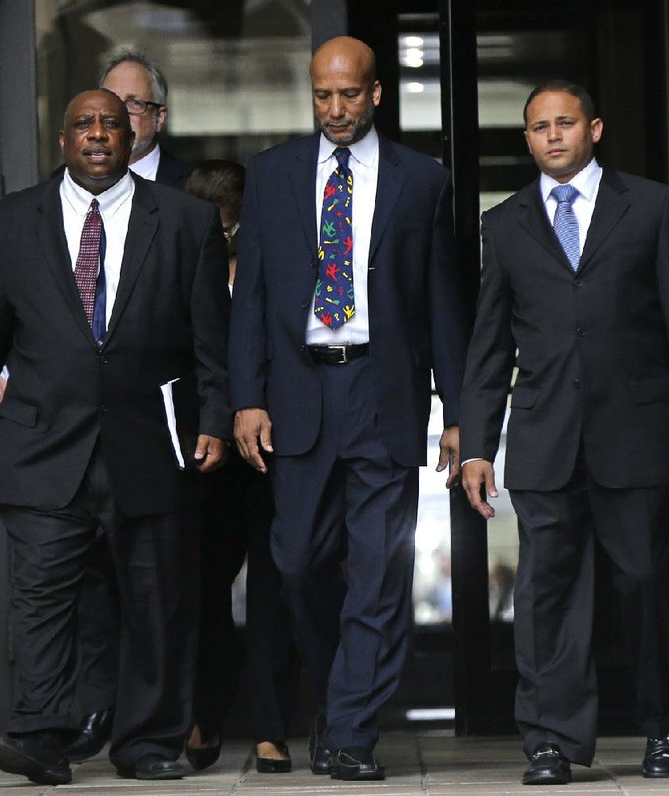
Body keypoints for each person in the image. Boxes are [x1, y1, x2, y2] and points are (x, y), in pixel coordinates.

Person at [0, 88, 230, 785]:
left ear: (134, 136)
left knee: (157, 602)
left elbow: (211, 340)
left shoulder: (185, 220)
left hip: (153, 443)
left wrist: (216, 420)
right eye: (85, 124)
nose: (100, 135)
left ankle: (145, 742)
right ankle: (43, 737)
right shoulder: (15, 222)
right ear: (63, 140)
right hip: (44, 445)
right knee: (43, 598)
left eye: (112, 123)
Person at [460, 80, 669, 786]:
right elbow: (488, 347)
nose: (552, 136)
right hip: (545, 441)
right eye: (539, 126)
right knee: (546, 596)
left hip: (639, 435)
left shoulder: (653, 206)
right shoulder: (505, 223)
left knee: (645, 585)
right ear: (528, 137)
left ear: (595, 129)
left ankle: (664, 727)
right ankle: (549, 740)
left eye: (565, 123)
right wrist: (479, 444)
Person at [229, 36, 468, 782]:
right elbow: (254, 301)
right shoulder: (271, 176)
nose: (335, 109)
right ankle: (341, 698)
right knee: (297, 564)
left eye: (348, 94)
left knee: (376, 571)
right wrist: (246, 398)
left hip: (384, 391)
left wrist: (459, 411)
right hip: (298, 393)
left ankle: (353, 730)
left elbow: (442, 304)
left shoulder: (422, 181)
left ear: (375, 96)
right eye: (322, 95)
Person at [64, 50, 194, 763]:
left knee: (160, 590)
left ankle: (157, 728)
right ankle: (91, 714)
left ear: (155, 119)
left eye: (130, 108)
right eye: (99, 107)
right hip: (76, 429)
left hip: (160, 427)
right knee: (85, 586)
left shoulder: (187, 198)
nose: (111, 122)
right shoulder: (57, 195)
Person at [184, 160, 300, 774]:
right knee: (203, 589)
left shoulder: (276, 262)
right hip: (206, 453)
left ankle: (270, 726)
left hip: (274, 444)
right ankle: (206, 713)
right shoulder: (178, 264)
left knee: (274, 589)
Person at [101, 51, 191, 187]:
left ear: (159, 118)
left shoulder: (192, 187)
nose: (118, 113)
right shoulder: (66, 183)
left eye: (134, 103)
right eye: (110, 100)